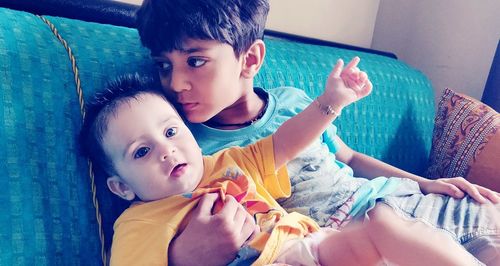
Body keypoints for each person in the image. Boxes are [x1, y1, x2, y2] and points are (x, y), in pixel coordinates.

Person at [135, 0, 500, 265]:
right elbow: (156, 226)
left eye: (195, 61)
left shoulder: (294, 102)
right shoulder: (186, 151)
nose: (175, 83)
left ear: (250, 60)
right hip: (352, 237)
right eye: (164, 66)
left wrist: (425, 183)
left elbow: (350, 157)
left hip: (401, 200)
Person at [80, 70, 484, 266]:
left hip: (310, 248)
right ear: (121, 187)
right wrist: (182, 257)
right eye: (141, 152)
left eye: (171, 131)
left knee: (383, 220)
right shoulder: (138, 222)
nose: (167, 151)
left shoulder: (226, 163)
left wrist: (332, 102)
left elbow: (286, 142)